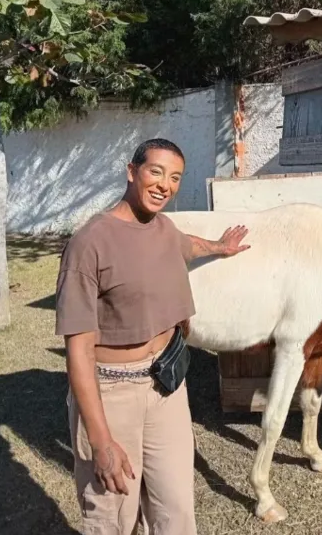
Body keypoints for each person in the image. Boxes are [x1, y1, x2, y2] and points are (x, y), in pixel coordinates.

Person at [55, 138, 250, 535]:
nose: (165, 184)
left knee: (175, 510)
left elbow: (187, 247)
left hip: (166, 387)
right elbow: (78, 351)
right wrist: (101, 439)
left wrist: (220, 247)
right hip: (111, 393)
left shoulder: (164, 228)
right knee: (113, 513)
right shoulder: (89, 243)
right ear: (132, 171)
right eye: (156, 172)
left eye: (175, 177)